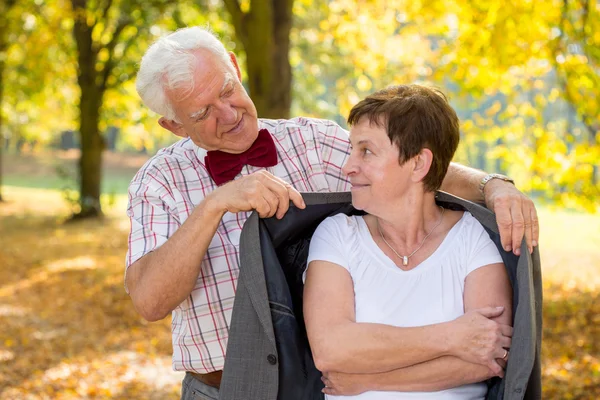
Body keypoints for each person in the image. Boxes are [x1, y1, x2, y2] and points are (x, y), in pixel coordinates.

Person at [126, 27, 537, 398]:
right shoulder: (158, 182)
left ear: (234, 66)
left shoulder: (312, 141)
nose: (229, 114)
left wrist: (492, 185)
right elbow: (149, 301)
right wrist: (214, 204)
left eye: (227, 90)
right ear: (175, 125)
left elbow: (409, 164)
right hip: (223, 390)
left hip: (313, 385)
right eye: (202, 113)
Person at [303, 85, 513, 399]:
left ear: (417, 164)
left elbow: (489, 358)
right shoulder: (336, 235)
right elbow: (331, 349)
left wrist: (370, 380)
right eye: (352, 149)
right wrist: (452, 337)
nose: (348, 166)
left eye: (367, 151)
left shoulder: (472, 238)